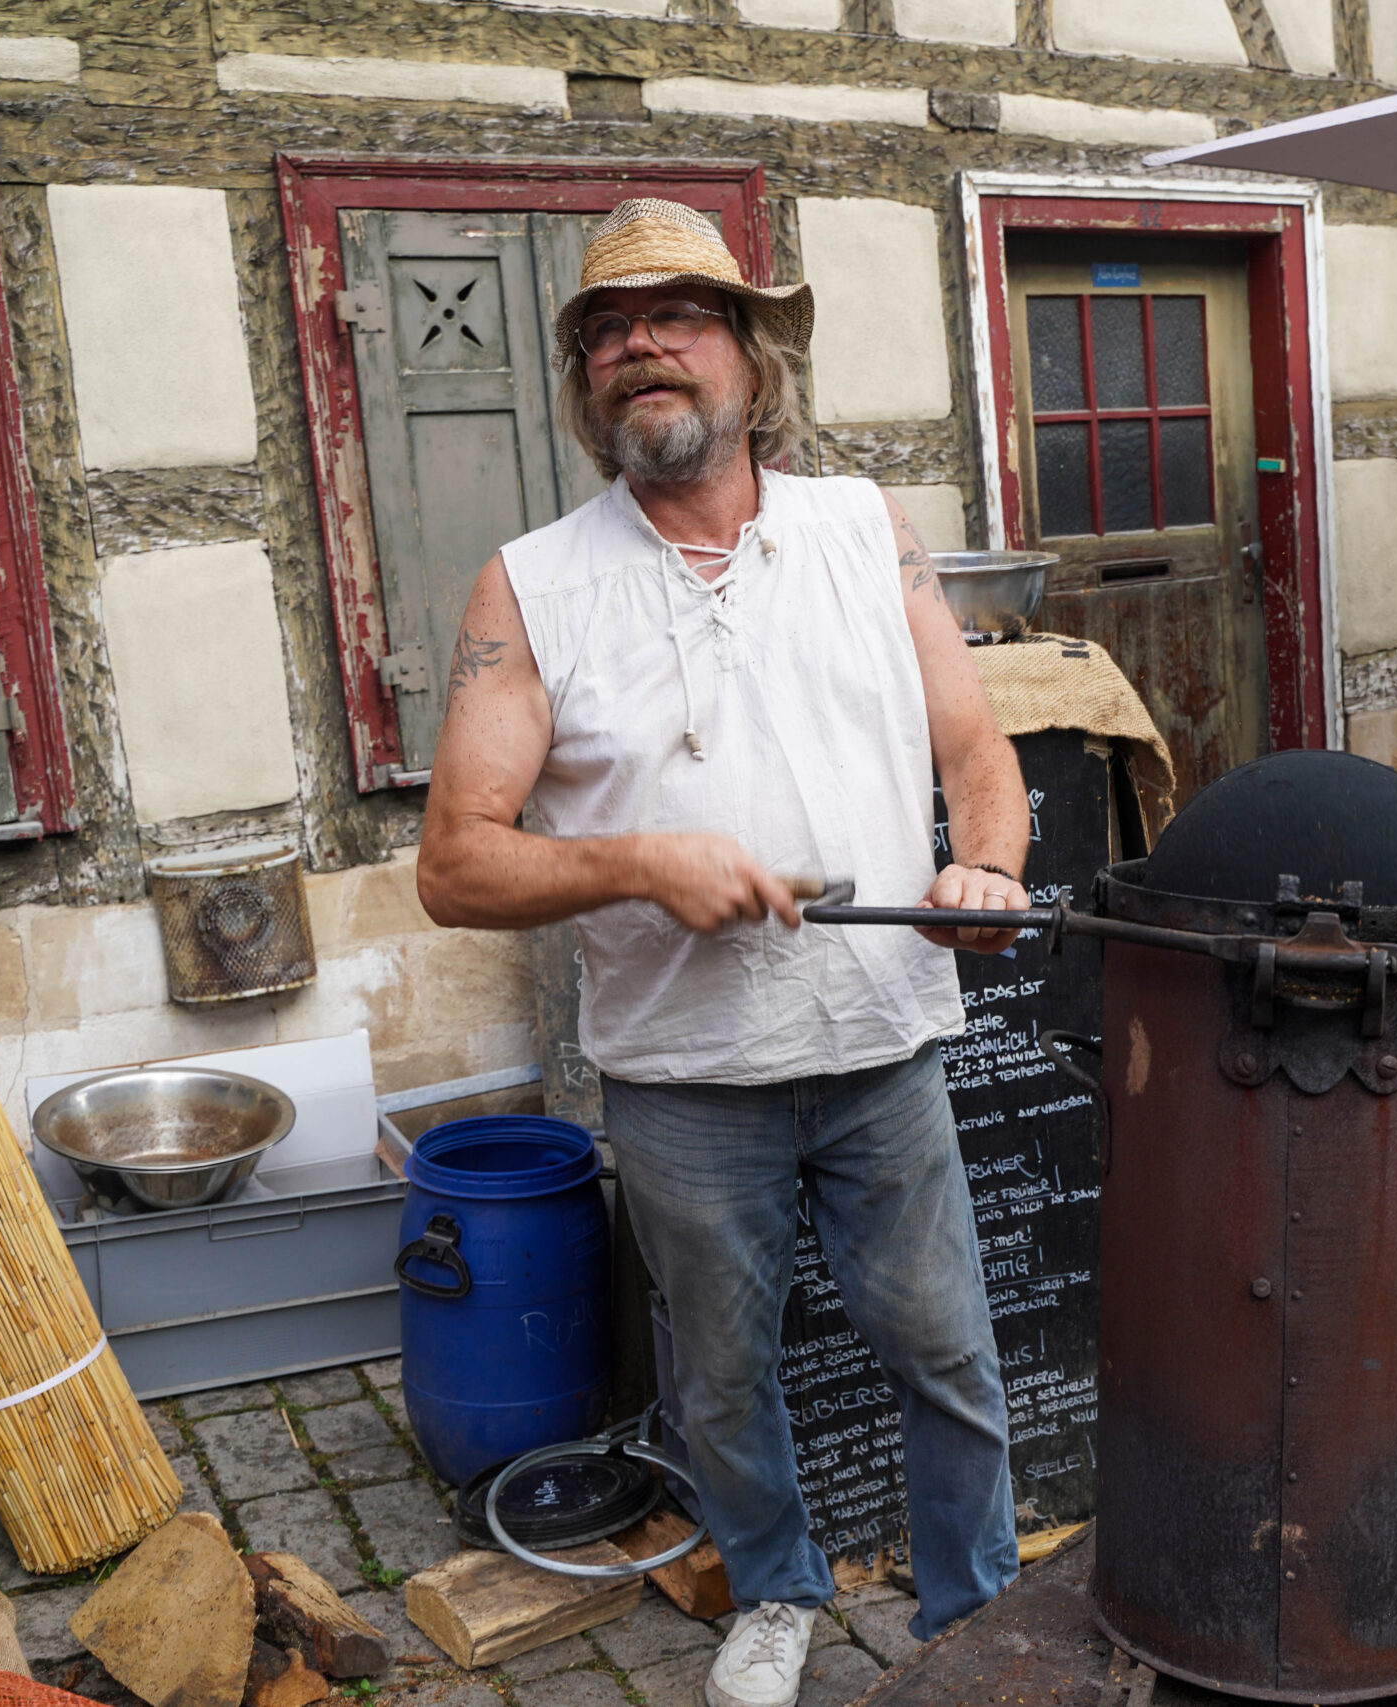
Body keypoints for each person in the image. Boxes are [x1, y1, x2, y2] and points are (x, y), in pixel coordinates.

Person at [416, 198, 1029, 1707]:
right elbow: (454, 861)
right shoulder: (532, 584)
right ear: (586, 383)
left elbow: (978, 746)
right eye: (609, 331)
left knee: (944, 1353)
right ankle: (775, 1589)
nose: (642, 347)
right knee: (720, 1374)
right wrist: (638, 861)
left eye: (680, 318)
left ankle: (975, 1611)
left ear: (751, 358)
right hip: (685, 1076)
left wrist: (990, 862)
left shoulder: (863, 530)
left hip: (884, 1039)